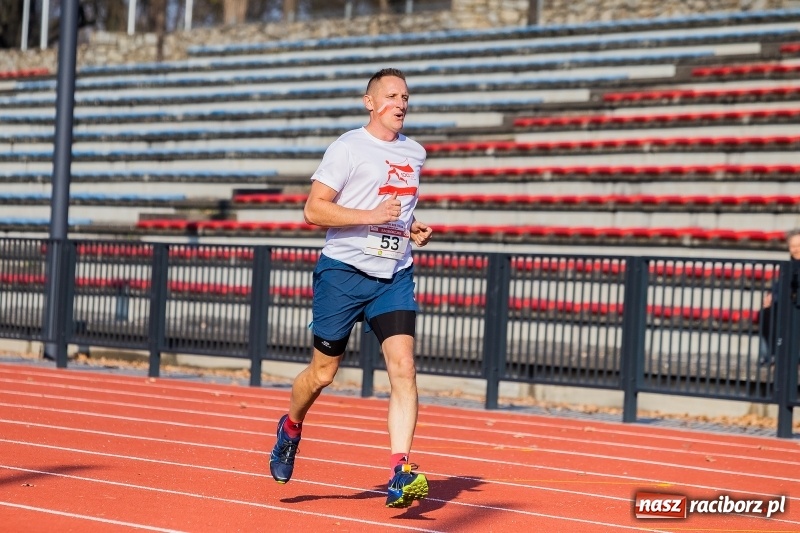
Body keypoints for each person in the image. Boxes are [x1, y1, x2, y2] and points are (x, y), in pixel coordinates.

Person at [269, 68, 433, 509]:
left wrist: (411, 227)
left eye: (405, 96)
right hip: (342, 273)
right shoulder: (347, 147)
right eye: (392, 95)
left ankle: (401, 470)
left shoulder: (415, 153)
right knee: (323, 374)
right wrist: (372, 216)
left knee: (404, 368)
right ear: (369, 101)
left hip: (393, 275)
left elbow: (394, 209)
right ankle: (291, 427)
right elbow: (313, 210)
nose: (400, 103)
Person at [758, 228, 800, 365]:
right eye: (793, 246)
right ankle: (774, 354)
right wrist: (770, 297)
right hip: (786, 305)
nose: (796, 250)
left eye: (799, 246)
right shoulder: (788, 266)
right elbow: (779, 287)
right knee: (766, 313)